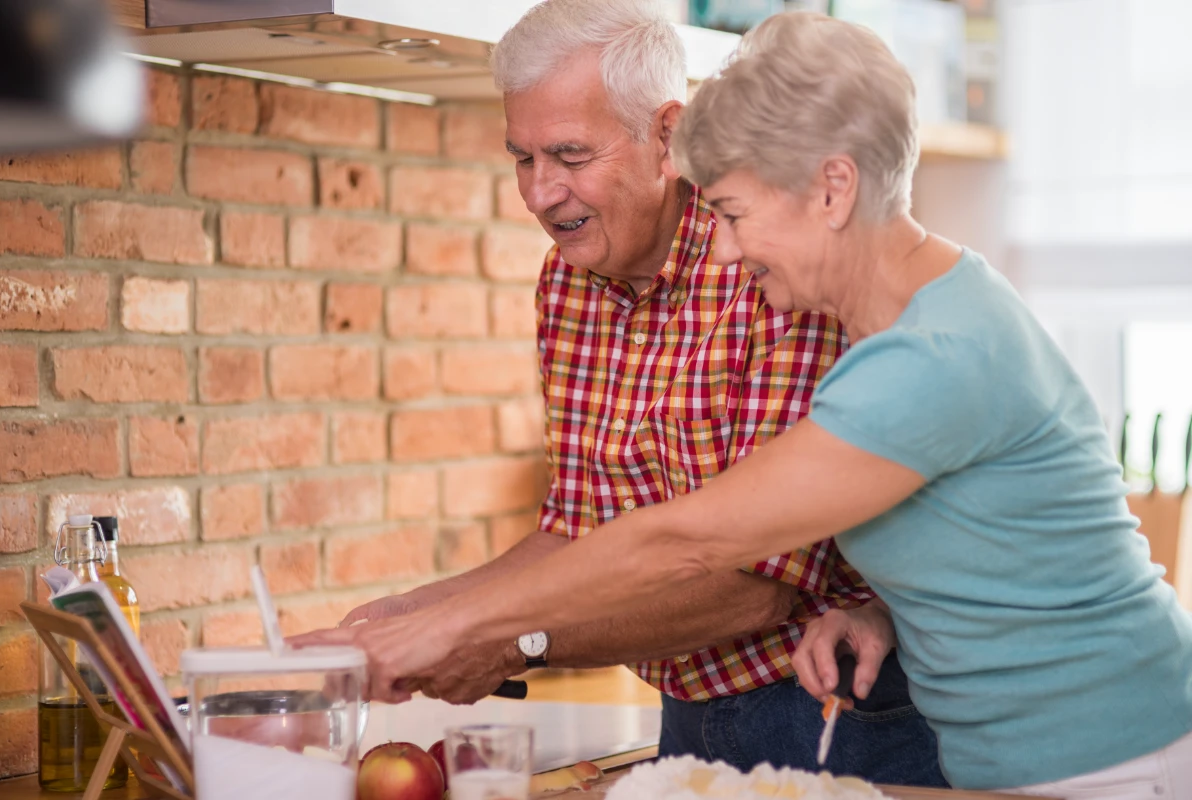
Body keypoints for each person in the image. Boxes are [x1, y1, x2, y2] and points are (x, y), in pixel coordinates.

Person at [298, 11, 1192, 798]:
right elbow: (997, 544)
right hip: (1034, 752)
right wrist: (881, 610)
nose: (719, 255)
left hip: (1115, 755)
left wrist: (466, 628)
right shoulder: (903, 329)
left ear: (833, 190)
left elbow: (692, 539)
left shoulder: (927, 358)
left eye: (731, 212)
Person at [319, 0, 945, 787]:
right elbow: (577, 529)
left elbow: (752, 589)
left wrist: (507, 639)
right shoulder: (569, 283)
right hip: (685, 713)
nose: (541, 194)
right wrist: (413, 616)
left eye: (570, 156)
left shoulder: (778, 269)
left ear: (666, 136)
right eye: (522, 157)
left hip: (840, 709)